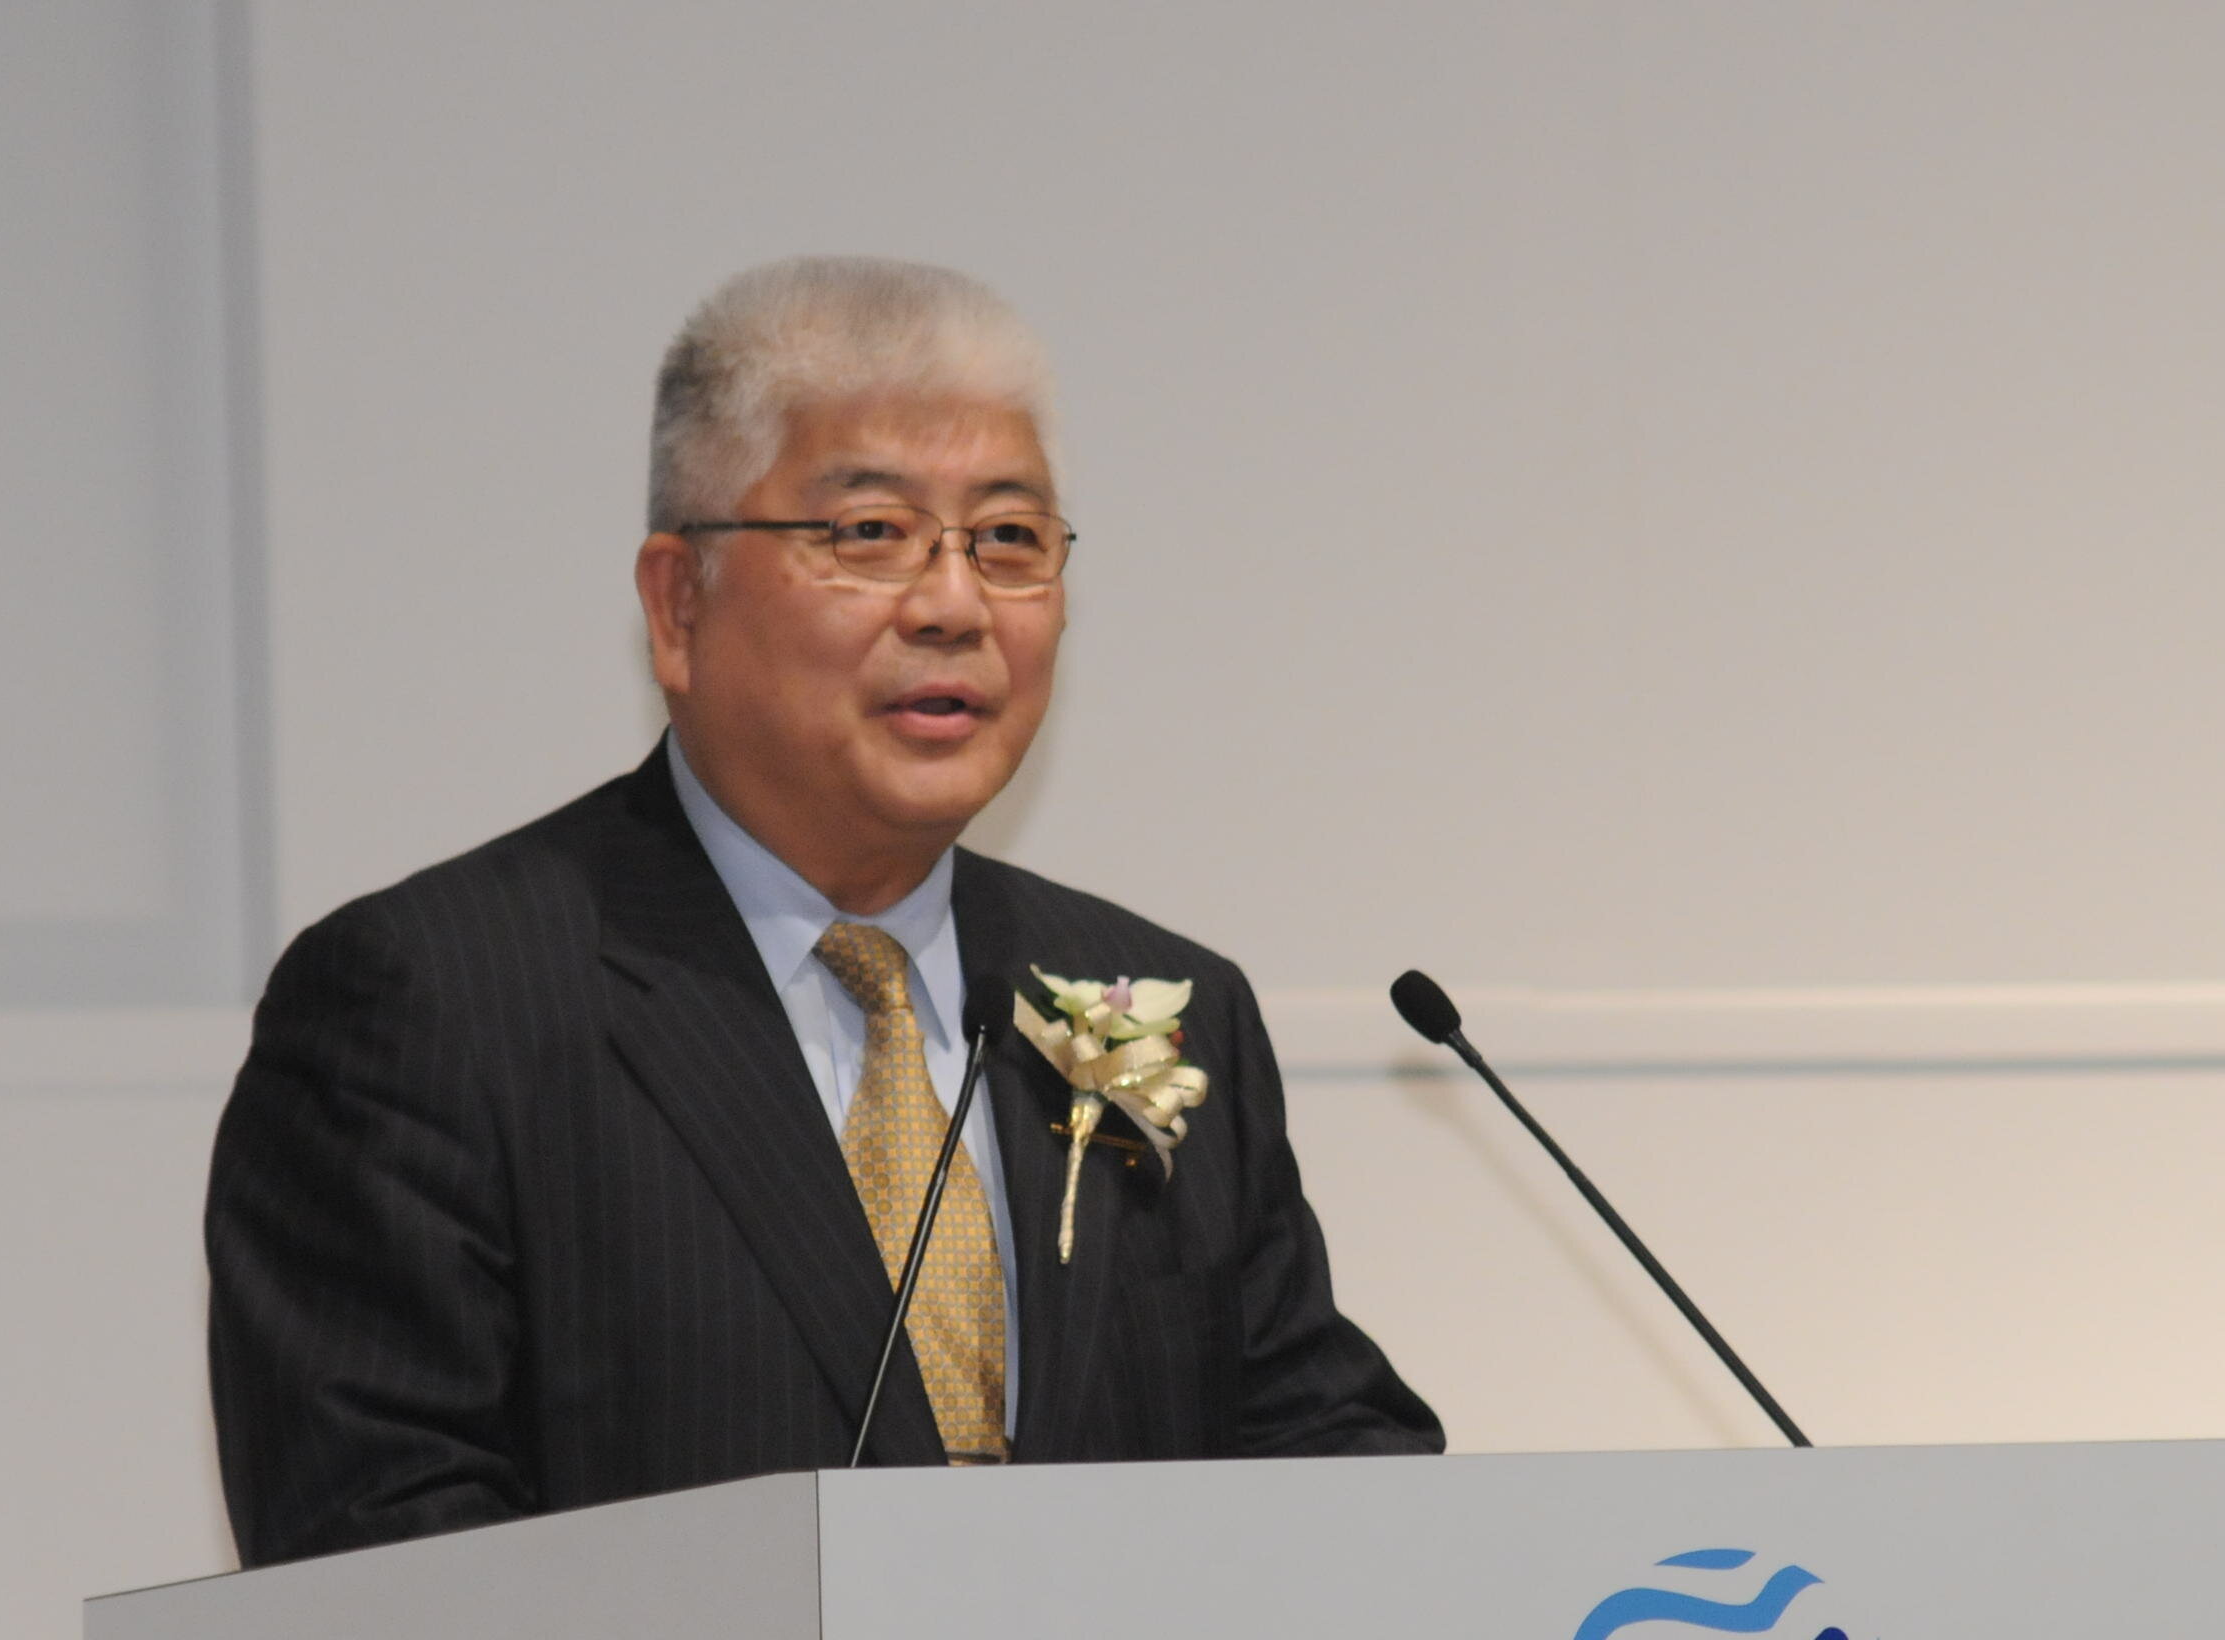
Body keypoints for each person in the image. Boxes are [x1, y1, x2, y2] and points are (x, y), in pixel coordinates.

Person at [207, 257, 1440, 1568]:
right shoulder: (436, 1007)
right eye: (870, 534)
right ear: (679, 604)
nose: (955, 605)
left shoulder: (1154, 1003)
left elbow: (1329, 1470)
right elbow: (380, 1561)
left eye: (1009, 540)